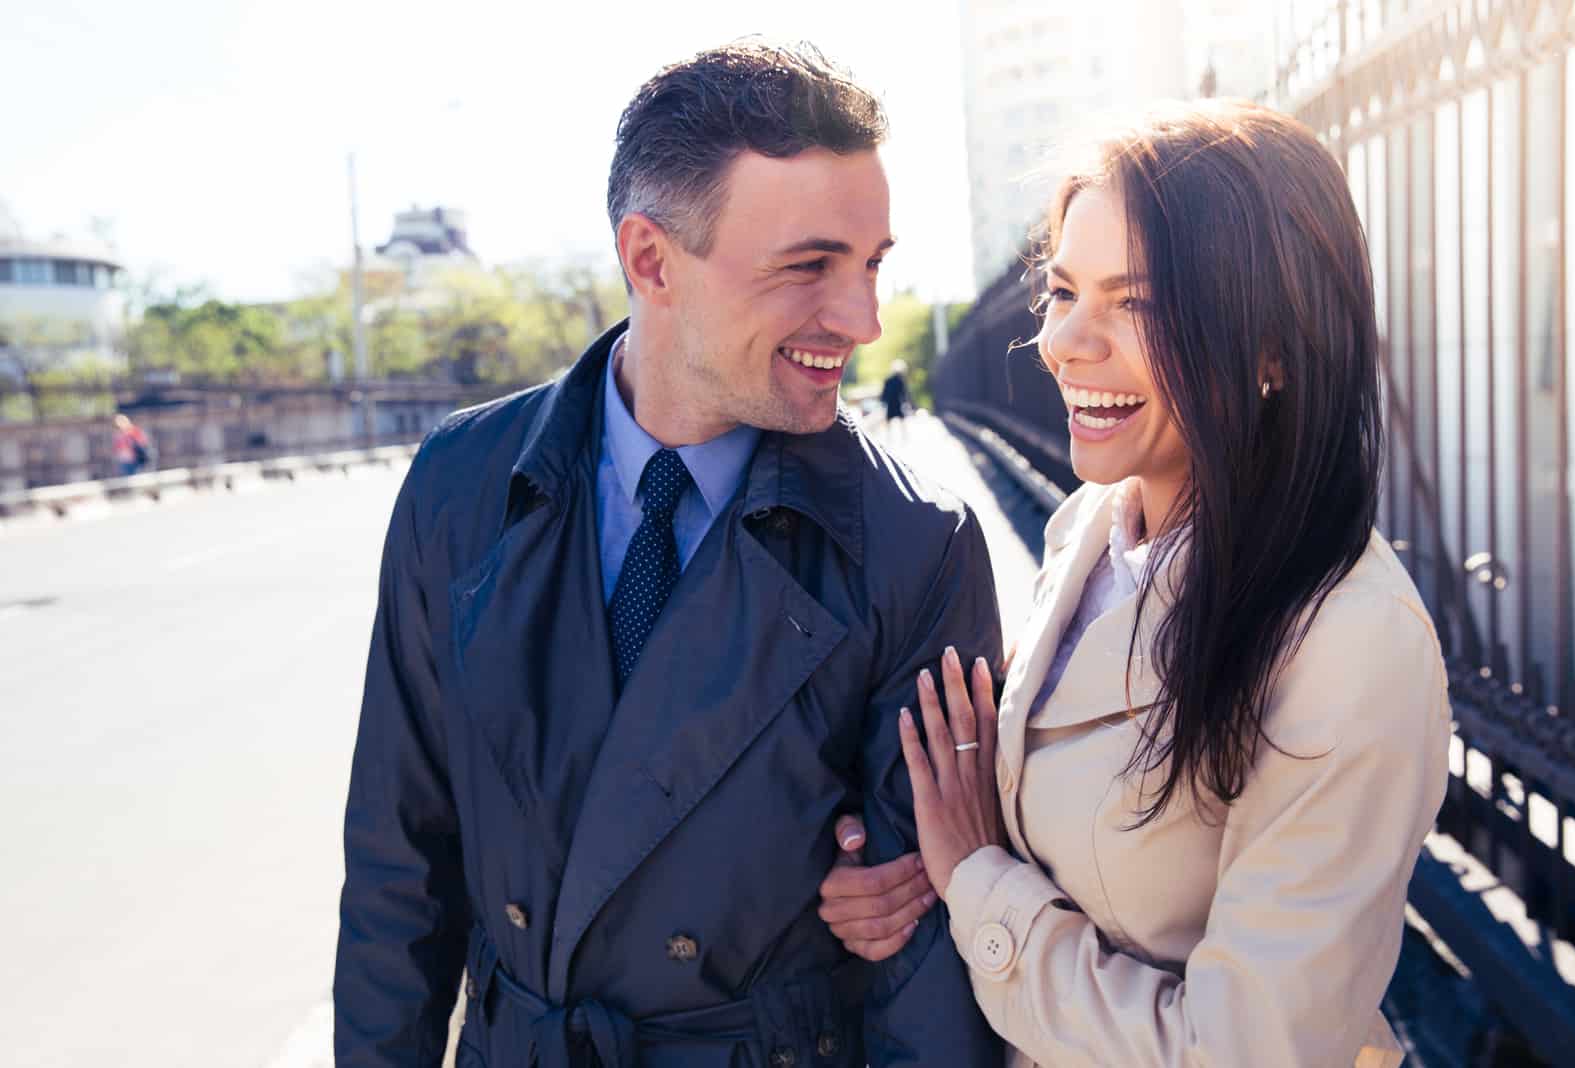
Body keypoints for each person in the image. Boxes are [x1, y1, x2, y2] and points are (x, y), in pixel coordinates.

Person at [334, 42, 1006, 1068]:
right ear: (651, 260)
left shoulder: (917, 543)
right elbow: (399, 871)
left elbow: (923, 970)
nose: (862, 321)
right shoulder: (458, 483)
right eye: (808, 267)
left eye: (872, 266)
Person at [816, 100, 1451, 1067]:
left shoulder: (1349, 643)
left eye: (1137, 302)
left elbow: (1241, 1051)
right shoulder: (1093, 531)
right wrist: (907, 874)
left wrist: (981, 883)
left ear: (1275, 349)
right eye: (1062, 291)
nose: (1066, 342)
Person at [878, 358, 910, 441]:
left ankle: (890, 438)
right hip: (897, 403)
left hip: (891, 403)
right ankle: (903, 437)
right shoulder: (900, 380)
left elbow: (884, 393)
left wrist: (883, 401)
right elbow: (903, 393)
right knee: (901, 421)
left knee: (890, 421)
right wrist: (906, 402)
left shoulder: (888, 380)